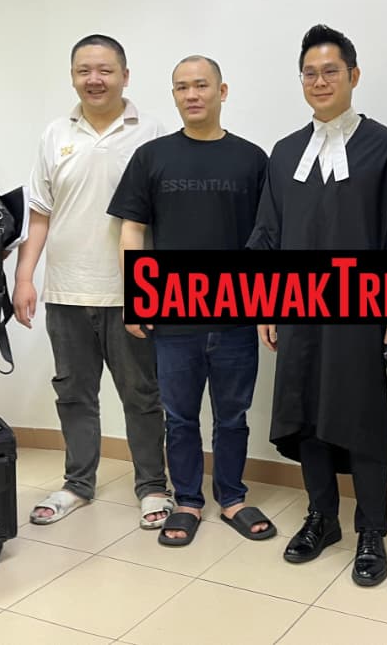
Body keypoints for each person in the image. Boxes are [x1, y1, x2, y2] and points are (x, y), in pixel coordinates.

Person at [247, 24, 387, 587]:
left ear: (353, 76)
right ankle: (322, 516)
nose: (320, 82)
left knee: (361, 417)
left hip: (362, 311)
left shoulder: (386, 146)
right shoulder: (284, 152)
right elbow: (267, 232)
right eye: (310, 74)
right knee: (305, 412)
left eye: (331, 72)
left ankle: (372, 529)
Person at [108, 55, 275, 547]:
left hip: (237, 316)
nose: (192, 95)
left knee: (233, 416)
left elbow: (267, 238)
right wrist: (137, 297)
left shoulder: (252, 159)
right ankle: (187, 501)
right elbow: (132, 230)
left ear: (222, 91)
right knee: (179, 417)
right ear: (174, 95)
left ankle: (232, 497)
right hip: (173, 318)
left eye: (201, 85)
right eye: (182, 87)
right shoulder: (151, 157)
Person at [13, 34, 171, 528]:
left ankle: (152, 486)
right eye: (84, 71)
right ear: (73, 76)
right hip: (66, 292)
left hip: (131, 292)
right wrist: (24, 277)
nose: (94, 79)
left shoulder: (153, 133)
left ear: (125, 75)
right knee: (73, 395)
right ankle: (77, 484)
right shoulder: (54, 133)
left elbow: (165, 218)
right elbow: (40, 214)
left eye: (105, 70)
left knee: (142, 396)